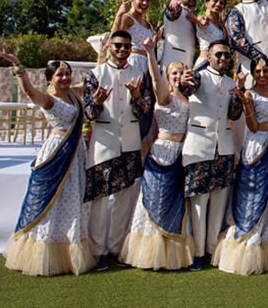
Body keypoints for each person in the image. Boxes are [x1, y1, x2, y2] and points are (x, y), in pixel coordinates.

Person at [0, 51, 94, 276]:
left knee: (72, 200)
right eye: (60, 75)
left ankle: (69, 251)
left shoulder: (76, 94)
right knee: (49, 202)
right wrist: (17, 64)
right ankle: (44, 252)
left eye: (68, 73)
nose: (65, 78)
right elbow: (29, 90)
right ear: (50, 79)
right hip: (57, 152)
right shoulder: (50, 100)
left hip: (76, 153)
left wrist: (104, 51)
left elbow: (92, 77)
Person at [214, 54, 268, 275]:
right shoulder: (249, 94)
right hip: (257, 147)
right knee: (253, 193)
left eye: (266, 71)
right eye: (258, 72)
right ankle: (248, 241)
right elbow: (252, 126)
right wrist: (246, 104)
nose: (262, 75)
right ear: (253, 74)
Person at [119, 37, 194, 270]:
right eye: (173, 73)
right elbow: (154, 78)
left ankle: (172, 250)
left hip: (181, 154)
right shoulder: (165, 96)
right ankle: (148, 252)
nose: (177, 77)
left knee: (174, 203)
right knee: (154, 199)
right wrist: (150, 52)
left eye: (181, 73)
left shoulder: (189, 99)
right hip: (161, 152)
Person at [83, 30, 154, 270]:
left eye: (126, 46)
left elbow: (144, 111)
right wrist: (98, 102)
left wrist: (136, 97)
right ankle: (96, 251)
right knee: (100, 201)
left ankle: (115, 248)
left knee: (124, 199)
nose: (122, 50)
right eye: (118, 45)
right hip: (103, 144)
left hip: (131, 144)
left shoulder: (139, 75)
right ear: (109, 46)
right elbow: (88, 114)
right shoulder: (95, 75)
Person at [179, 40, 244, 271]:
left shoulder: (232, 82)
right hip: (199, 147)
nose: (223, 59)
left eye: (227, 55)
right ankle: (197, 251)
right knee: (199, 202)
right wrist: (182, 81)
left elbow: (234, 115)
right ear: (209, 56)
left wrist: (240, 92)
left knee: (218, 201)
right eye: (219, 54)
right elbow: (185, 89)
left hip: (224, 147)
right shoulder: (198, 76)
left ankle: (211, 248)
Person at [110, 0, 155, 73]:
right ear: (132, 0)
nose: (145, 3)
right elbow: (114, 39)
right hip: (133, 62)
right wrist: (119, 15)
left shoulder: (147, 23)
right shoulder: (127, 18)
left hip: (147, 64)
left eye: (148, 0)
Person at [161, 0, 198, 70]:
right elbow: (172, 13)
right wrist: (173, 5)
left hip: (188, 62)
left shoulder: (192, 16)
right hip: (172, 62)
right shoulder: (177, 9)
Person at [193, 0, 227, 69]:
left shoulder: (221, 26)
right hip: (205, 63)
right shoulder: (202, 18)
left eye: (221, 3)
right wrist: (203, 23)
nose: (218, 4)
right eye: (215, 1)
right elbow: (201, 24)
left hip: (219, 64)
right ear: (207, 3)